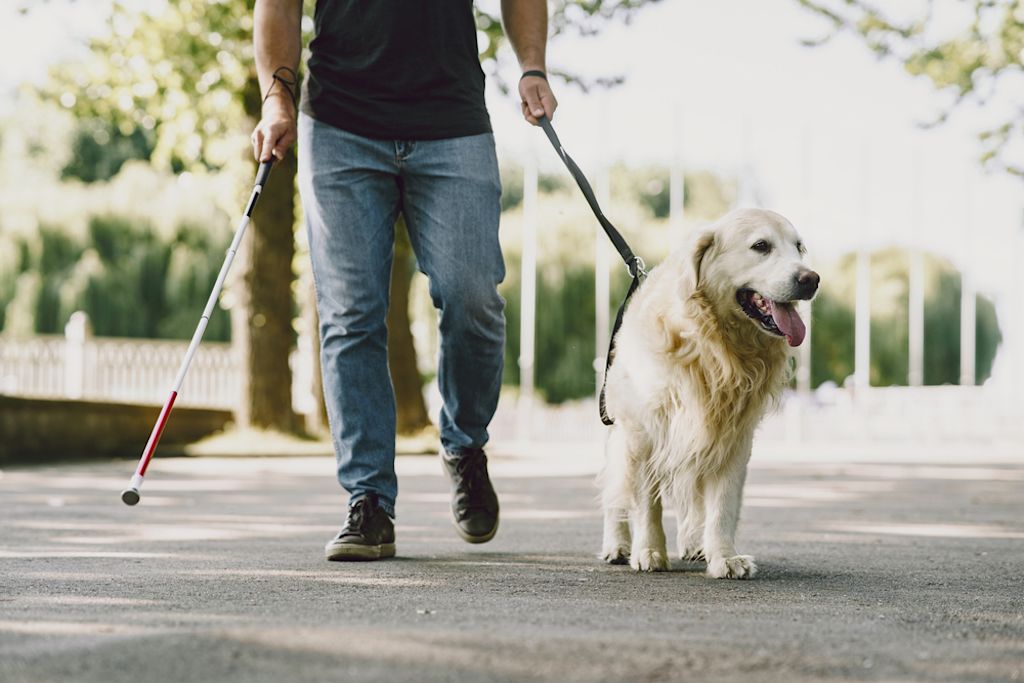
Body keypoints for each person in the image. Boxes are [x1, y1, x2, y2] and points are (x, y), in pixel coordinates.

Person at [251, 0, 558, 561]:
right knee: (350, 314)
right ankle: (368, 500)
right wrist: (277, 98)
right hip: (341, 123)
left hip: (451, 122)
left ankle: (465, 446)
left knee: (473, 298)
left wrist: (532, 66)